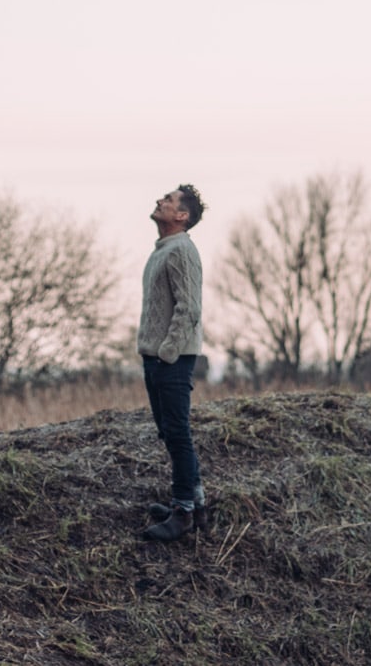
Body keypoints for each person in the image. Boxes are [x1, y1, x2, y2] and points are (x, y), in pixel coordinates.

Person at [137, 183, 206, 542]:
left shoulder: (181, 250)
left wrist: (167, 353)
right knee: (169, 430)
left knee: (178, 433)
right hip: (157, 356)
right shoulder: (164, 249)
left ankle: (183, 513)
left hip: (172, 358)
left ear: (182, 216)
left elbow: (189, 308)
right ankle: (194, 500)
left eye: (168, 200)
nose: (159, 201)